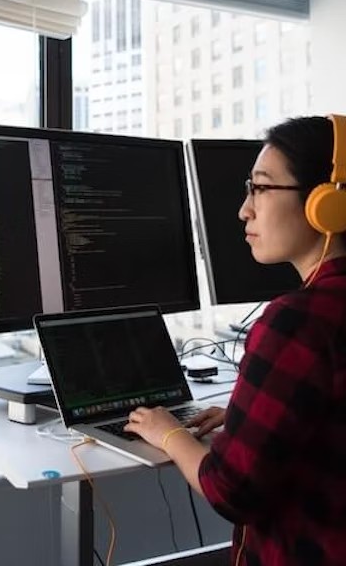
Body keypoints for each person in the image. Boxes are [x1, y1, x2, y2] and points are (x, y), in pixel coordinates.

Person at [124, 115, 346, 565]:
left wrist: (168, 433)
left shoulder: (298, 322)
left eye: (261, 188)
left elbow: (230, 490)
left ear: (326, 203)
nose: (245, 208)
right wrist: (252, 416)